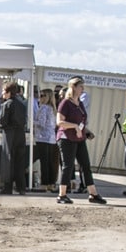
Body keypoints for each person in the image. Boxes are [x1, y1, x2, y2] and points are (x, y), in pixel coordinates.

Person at [55, 76, 107, 205]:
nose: (83, 89)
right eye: (80, 86)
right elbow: (59, 122)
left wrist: (86, 131)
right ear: (73, 87)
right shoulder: (65, 103)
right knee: (68, 166)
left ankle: (93, 193)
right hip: (66, 138)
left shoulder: (80, 103)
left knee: (85, 165)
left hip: (79, 138)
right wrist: (75, 126)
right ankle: (62, 194)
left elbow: (81, 121)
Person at [0, 83, 31, 195]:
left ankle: (7, 187)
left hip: (10, 134)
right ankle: (21, 187)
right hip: (20, 134)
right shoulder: (22, 105)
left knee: (8, 160)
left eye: (4, 91)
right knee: (19, 162)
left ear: (9, 93)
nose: (2, 94)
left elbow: (2, 121)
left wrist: (0, 124)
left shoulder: (6, 104)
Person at [32, 87, 59, 190]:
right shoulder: (53, 109)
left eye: (43, 95)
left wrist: (32, 122)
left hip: (42, 137)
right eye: (40, 95)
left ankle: (44, 183)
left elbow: (42, 124)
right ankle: (51, 183)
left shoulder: (43, 108)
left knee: (44, 162)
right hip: (51, 138)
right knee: (50, 162)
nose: (40, 97)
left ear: (48, 97)